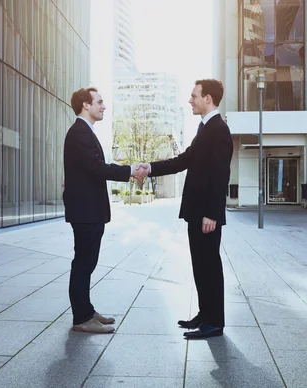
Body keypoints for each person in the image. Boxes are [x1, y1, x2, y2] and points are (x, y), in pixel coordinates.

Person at [136, 79, 233, 339]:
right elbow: (185, 160)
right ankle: (205, 315)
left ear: (208, 99)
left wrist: (212, 213)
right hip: (196, 212)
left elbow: (221, 174)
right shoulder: (205, 129)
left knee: (210, 266)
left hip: (206, 214)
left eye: (194, 96)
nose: (190, 100)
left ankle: (215, 323)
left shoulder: (218, 130)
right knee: (200, 266)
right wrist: (151, 166)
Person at [63, 87, 146, 334]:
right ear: (85, 105)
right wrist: (130, 170)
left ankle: (87, 310)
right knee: (83, 263)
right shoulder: (79, 132)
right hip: (85, 211)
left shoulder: (84, 132)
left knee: (86, 263)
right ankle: (81, 317)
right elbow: (96, 168)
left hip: (89, 210)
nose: (103, 106)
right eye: (99, 102)